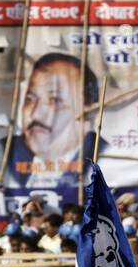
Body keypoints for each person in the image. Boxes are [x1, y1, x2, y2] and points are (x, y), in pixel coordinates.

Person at [8, 53, 101, 191]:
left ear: (89, 112)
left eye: (54, 100)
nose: (35, 114)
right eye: (30, 98)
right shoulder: (7, 153)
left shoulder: (103, 159)